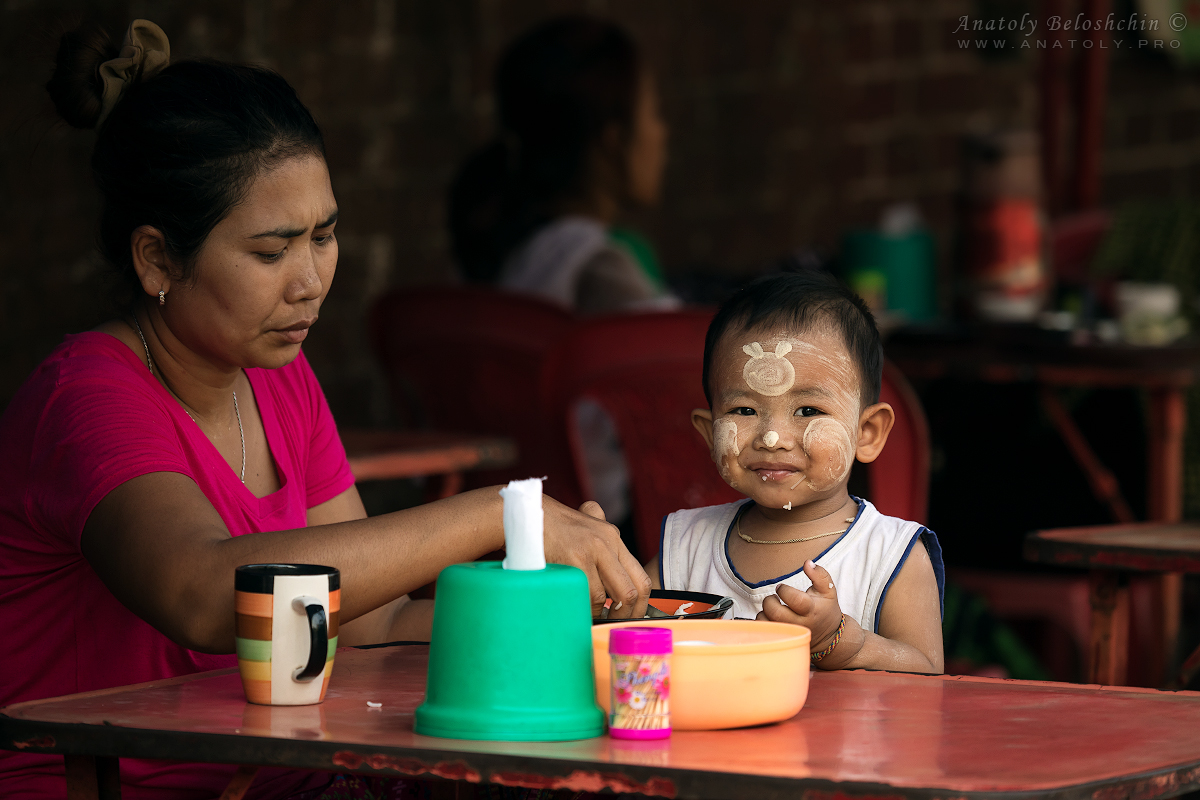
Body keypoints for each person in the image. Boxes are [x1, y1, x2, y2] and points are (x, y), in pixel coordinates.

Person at [0, 20, 650, 799]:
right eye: (272, 253)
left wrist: (572, 617)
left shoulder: (278, 376)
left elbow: (365, 623)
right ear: (157, 259)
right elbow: (206, 597)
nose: (310, 281)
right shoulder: (86, 398)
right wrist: (497, 514)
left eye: (325, 236)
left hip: (268, 774)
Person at [646, 271, 945, 673]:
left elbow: (930, 677)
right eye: (744, 411)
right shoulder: (683, 548)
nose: (772, 437)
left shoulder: (890, 555)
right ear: (708, 432)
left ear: (867, 434)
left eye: (808, 411)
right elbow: (626, 629)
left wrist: (846, 645)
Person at [448, 15, 676, 314]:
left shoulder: (513, 255)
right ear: (614, 139)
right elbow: (682, 356)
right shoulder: (598, 267)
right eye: (654, 113)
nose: (662, 133)